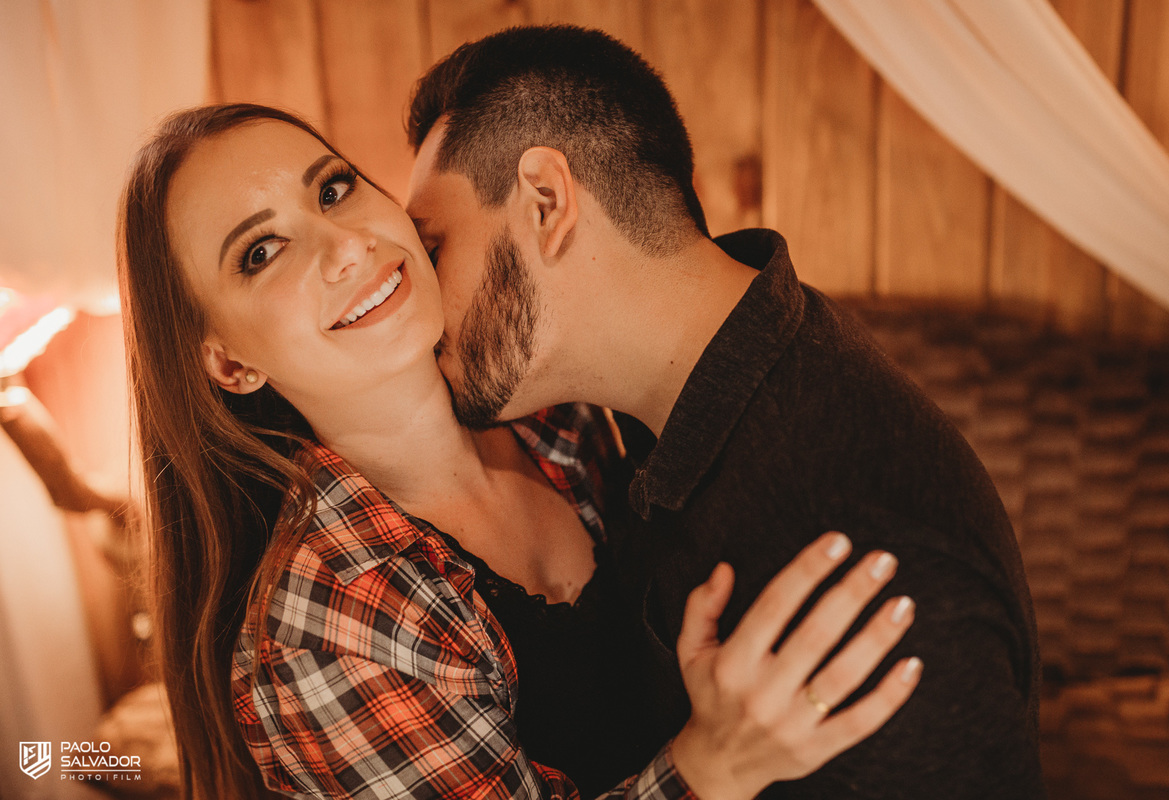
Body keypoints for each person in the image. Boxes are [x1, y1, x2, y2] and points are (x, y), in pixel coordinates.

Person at [118, 103, 922, 800]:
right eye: (262, 252)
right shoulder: (328, 626)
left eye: (333, 188)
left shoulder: (554, 409)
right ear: (228, 362)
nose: (346, 245)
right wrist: (715, 766)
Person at [404, 25, 1045, 798]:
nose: (426, 307)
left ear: (545, 202)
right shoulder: (682, 395)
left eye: (434, 245)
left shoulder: (849, 542)